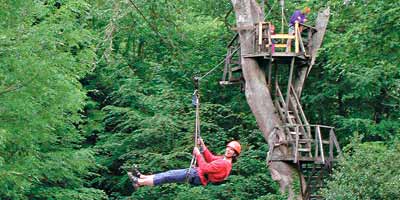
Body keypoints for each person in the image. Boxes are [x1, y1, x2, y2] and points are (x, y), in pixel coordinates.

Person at [127, 139, 241, 190]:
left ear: (235, 154)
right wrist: (203, 146)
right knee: (168, 174)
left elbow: (206, 168)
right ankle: (142, 177)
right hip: (197, 174)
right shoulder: (223, 159)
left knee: (168, 177)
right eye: (228, 148)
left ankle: (138, 182)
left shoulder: (224, 164)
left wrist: (197, 154)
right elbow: (210, 158)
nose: (228, 150)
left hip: (197, 176)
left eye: (231, 150)